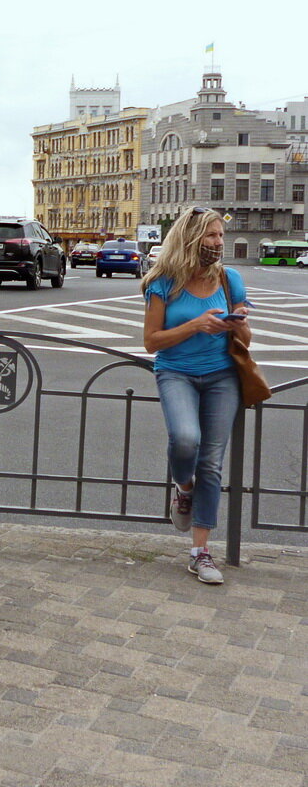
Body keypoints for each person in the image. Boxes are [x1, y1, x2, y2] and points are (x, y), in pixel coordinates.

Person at [141, 206, 252, 585]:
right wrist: (195, 325)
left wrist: (236, 322)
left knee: (211, 462)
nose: (218, 243)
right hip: (176, 373)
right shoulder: (163, 283)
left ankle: (201, 552)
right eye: (211, 236)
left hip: (223, 377)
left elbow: (248, 340)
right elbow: (151, 342)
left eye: (220, 236)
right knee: (186, 440)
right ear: (191, 238)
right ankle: (182, 489)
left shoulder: (229, 279)